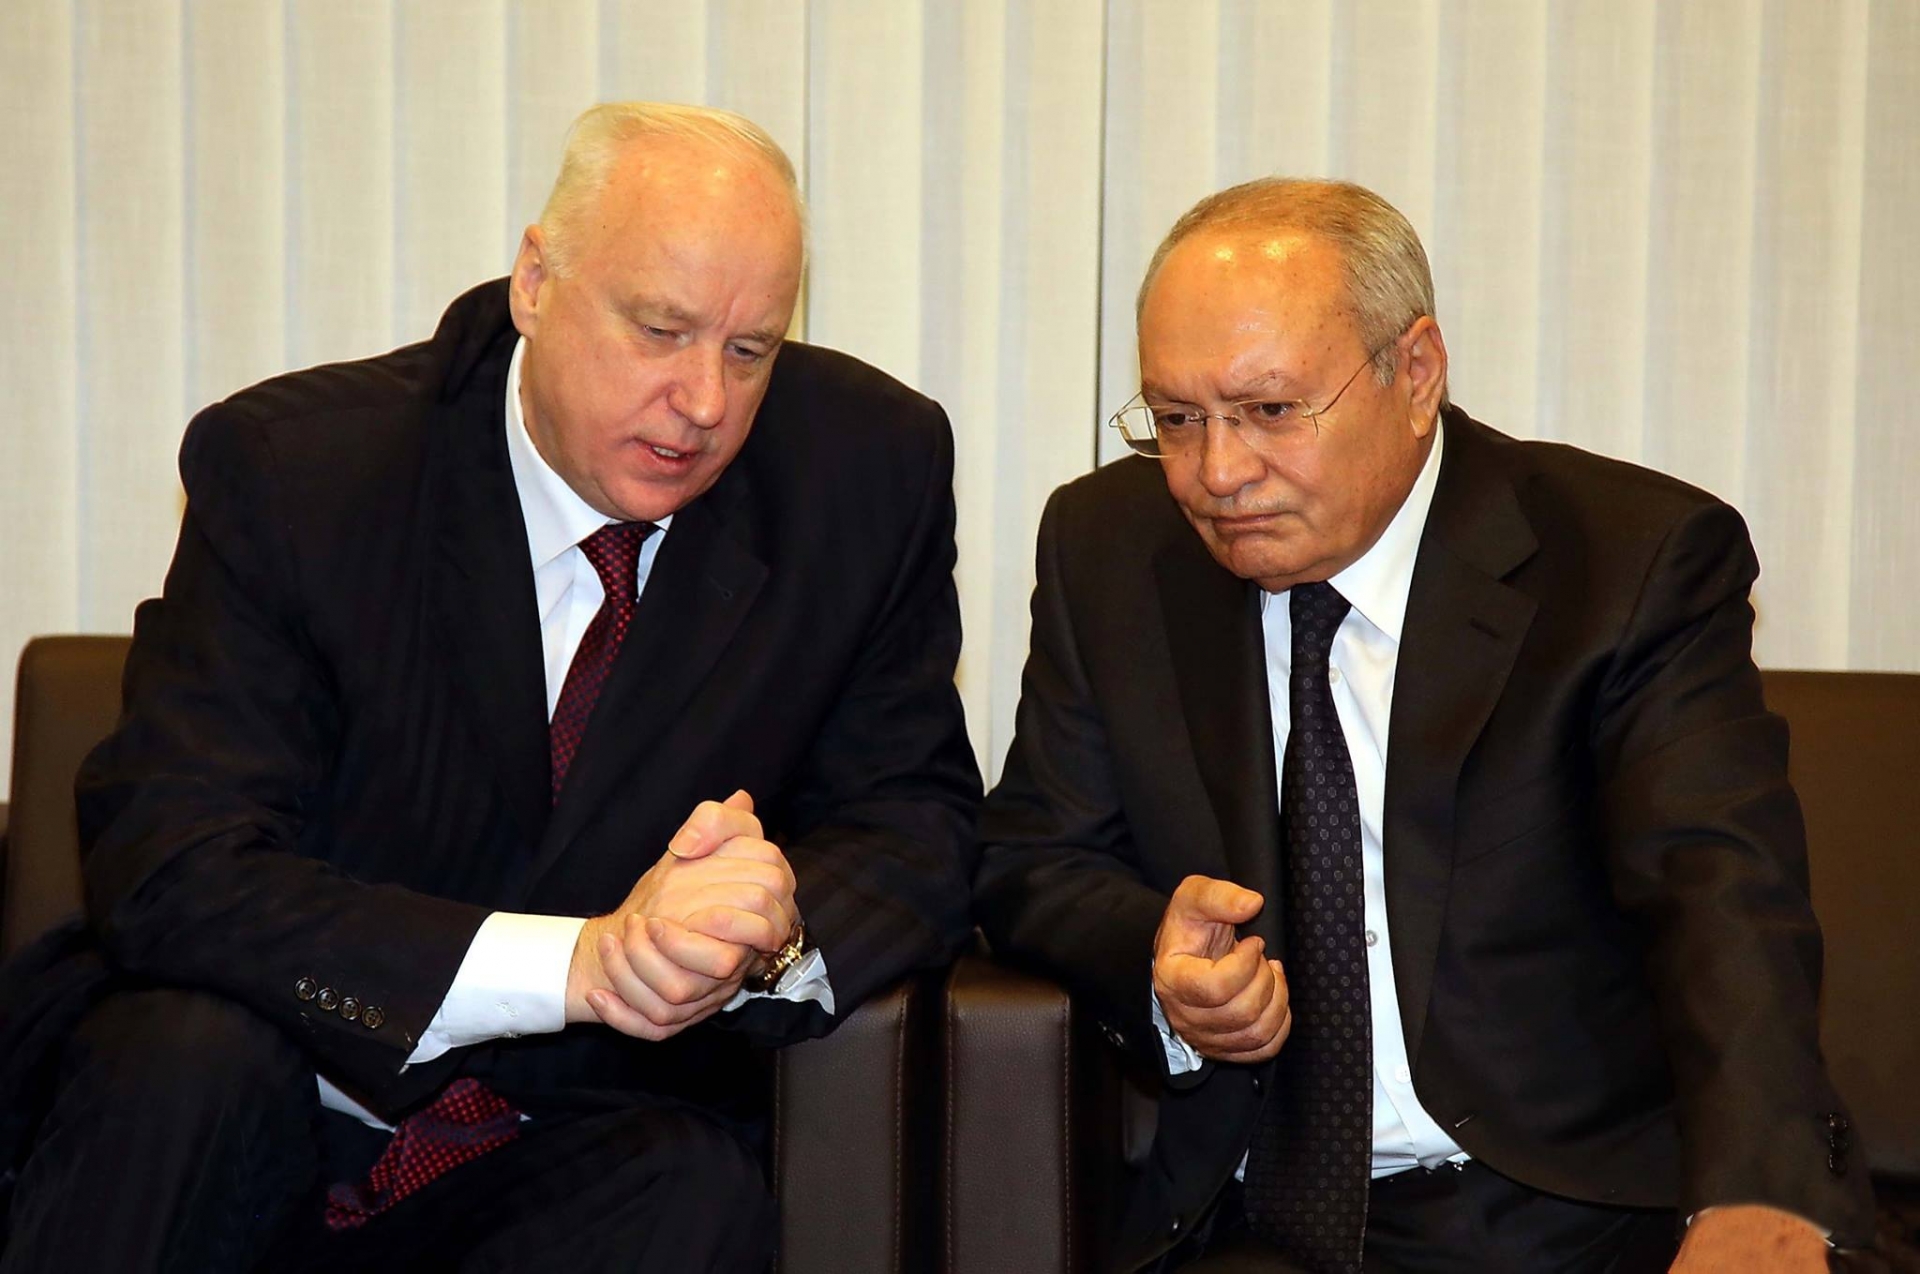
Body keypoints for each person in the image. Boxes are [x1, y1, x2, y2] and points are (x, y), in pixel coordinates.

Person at [0, 101, 980, 1273]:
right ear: (535, 282)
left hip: (561, 1130)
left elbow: (914, 816)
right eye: (660, 329)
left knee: (691, 1191)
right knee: (184, 1062)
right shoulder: (303, 472)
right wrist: (574, 964)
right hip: (273, 1067)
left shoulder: (862, 474)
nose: (705, 401)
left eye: (749, 349)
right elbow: (171, 860)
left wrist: (760, 929)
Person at [973, 177, 1874, 1273]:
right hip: (1252, 1215)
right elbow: (1033, 857)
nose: (1217, 473)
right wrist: (1155, 954)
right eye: (1176, 419)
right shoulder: (1109, 547)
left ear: (1415, 373)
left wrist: (1760, 1197)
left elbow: (1724, 900)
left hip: (1569, 1213)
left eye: (1270, 411)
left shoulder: (1628, 562)